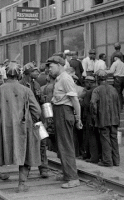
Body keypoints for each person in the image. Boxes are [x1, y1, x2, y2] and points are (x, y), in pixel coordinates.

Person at [0, 62, 41, 192]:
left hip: (5, 127)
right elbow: (37, 110)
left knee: (7, 150)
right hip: (24, 126)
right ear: (19, 74)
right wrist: (31, 120)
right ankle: (21, 184)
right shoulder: (26, 90)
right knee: (25, 154)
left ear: (6, 74)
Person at [46, 55, 82, 188]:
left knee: (66, 145)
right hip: (59, 112)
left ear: (60, 65)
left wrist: (78, 119)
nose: (49, 69)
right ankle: (67, 175)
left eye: (51, 66)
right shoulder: (59, 79)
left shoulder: (66, 79)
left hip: (64, 112)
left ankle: (73, 178)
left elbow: (75, 101)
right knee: (61, 146)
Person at [19, 62, 48, 178]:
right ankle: (26, 169)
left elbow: (42, 102)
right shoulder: (20, 85)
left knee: (42, 143)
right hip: (26, 119)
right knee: (27, 144)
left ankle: (43, 168)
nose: (37, 72)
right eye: (34, 71)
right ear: (27, 73)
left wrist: (46, 118)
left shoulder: (36, 84)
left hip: (37, 119)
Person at [91, 70, 120, 167]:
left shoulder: (97, 90)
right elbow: (118, 104)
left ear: (97, 79)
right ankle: (116, 161)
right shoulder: (114, 89)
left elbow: (93, 105)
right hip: (114, 119)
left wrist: (94, 117)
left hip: (103, 119)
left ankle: (107, 161)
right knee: (114, 139)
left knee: (105, 139)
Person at [81, 76, 101, 163]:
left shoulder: (88, 92)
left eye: (86, 83)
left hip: (90, 117)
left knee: (91, 137)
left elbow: (85, 105)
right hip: (100, 117)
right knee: (98, 137)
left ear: (89, 83)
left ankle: (93, 157)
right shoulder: (99, 89)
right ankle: (99, 155)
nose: (85, 85)